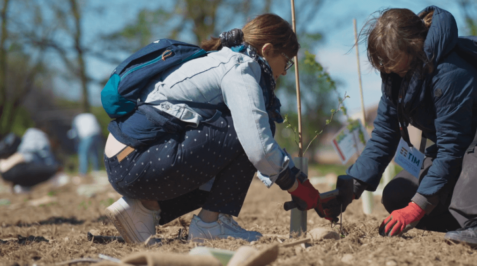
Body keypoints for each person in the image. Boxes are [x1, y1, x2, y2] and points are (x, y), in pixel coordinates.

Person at [323, 6, 477, 247]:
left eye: (394, 63)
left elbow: (452, 148)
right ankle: (473, 224)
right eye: (384, 66)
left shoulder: (450, 73)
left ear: (415, 45)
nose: (389, 71)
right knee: (398, 194)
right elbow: (384, 136)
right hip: (466, 146)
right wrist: (352, 185)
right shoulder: (395, 78)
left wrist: (419, 207)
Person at [103, 14, 323, 244]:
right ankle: (210, 224)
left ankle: (143, 209)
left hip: (125, 160)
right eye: (287, 61)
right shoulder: (240, 68)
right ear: (267, 50)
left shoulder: (220, 59)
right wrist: (295, 185)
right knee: (253, 127)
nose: (286, 71)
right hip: (137, 161)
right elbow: (258, 147)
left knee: (237, 136)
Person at [0, 128, 59, 192]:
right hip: (19, 168)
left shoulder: (46, 146)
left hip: (37, 170)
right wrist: (6, 164)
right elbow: (25, 155)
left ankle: (24, 187)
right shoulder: (35, 133)